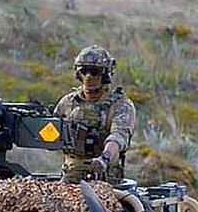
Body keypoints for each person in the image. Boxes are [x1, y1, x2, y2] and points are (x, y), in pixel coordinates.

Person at [53, 45, 136, 184]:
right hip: (70, 175)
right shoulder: (68, 103)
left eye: (94, 72)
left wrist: (104, 159)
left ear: (105, 74)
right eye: (83, 71)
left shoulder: (120, 105)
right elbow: (52, 130)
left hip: (106, 178)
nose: (88, 77)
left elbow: (118, 137)